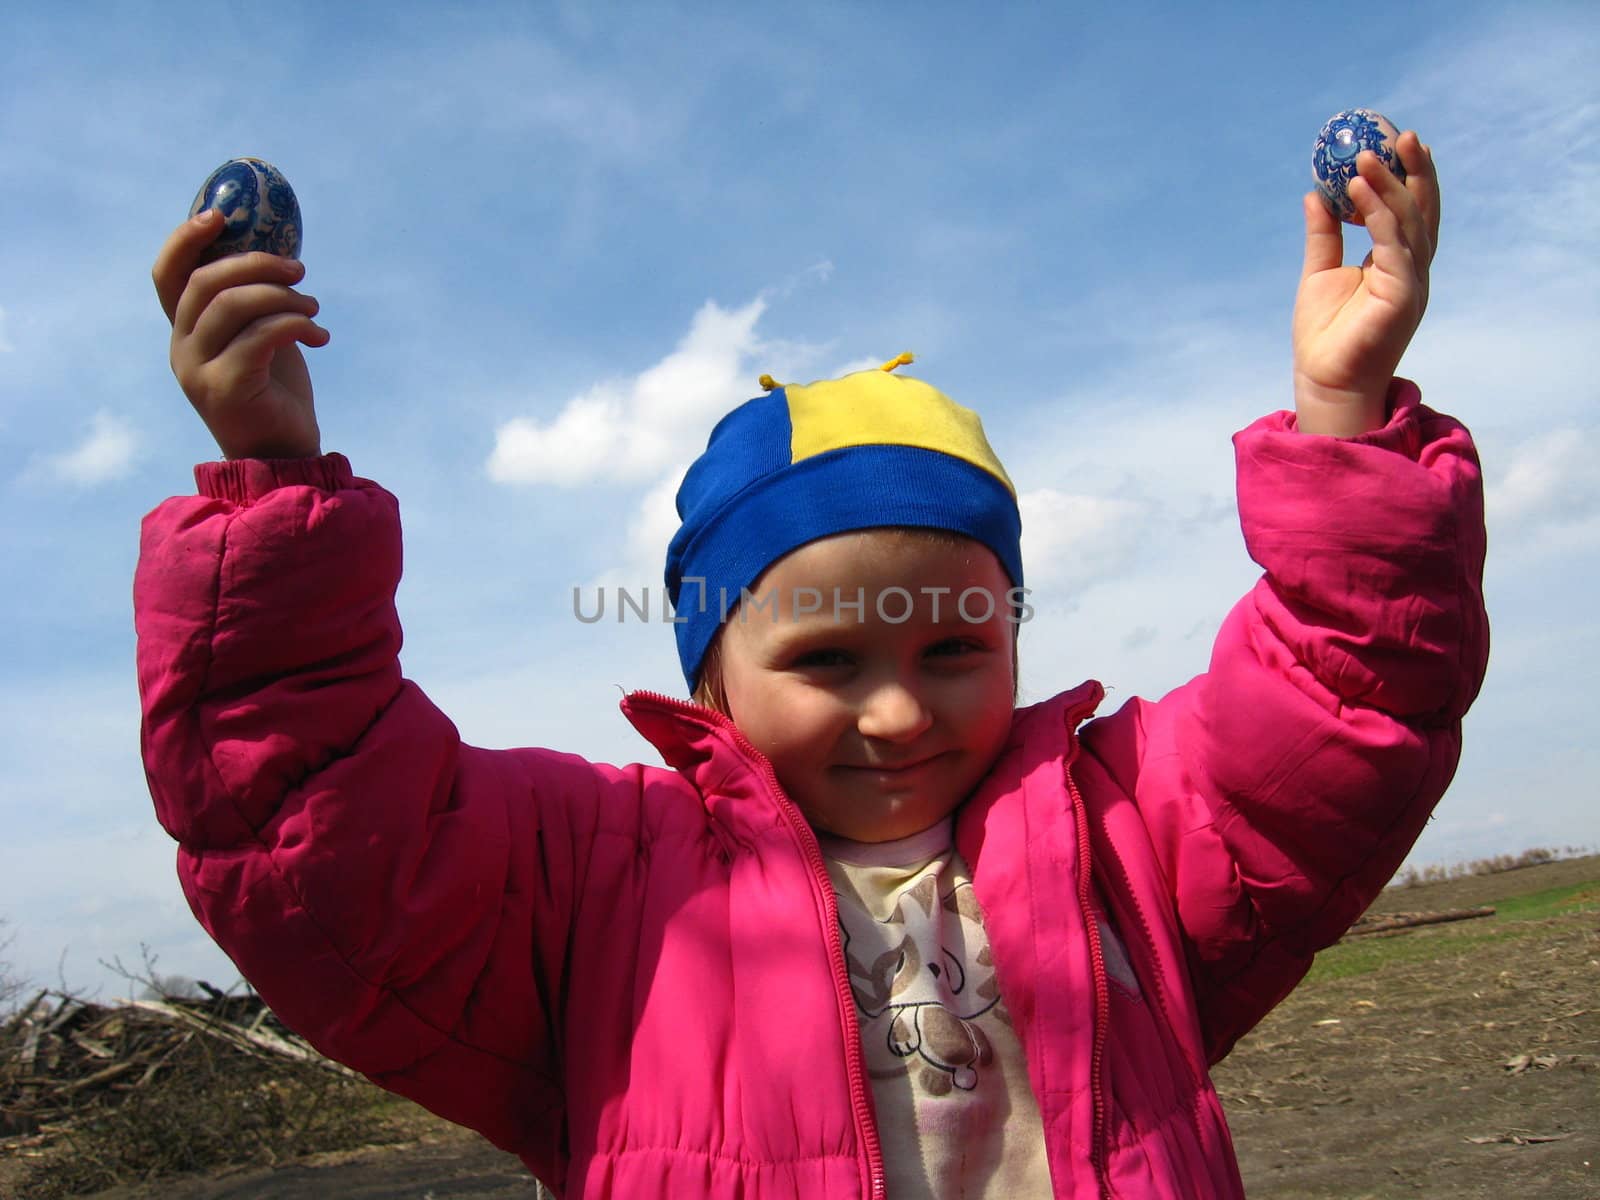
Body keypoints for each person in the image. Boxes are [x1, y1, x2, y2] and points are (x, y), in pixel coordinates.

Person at [138, 131, 1487, 1198]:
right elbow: (311, 810)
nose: (899, 709)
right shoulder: (605, 882)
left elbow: (1346, 690)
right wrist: (270, 481)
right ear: (712, 677)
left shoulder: (1122, 835)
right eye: (828, 656)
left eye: (956, 646)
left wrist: (1345, 417)